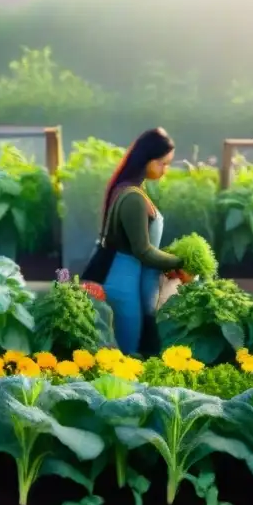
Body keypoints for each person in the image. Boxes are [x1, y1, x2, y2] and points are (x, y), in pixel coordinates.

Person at [93, 128, 186, 356]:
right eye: (162, 164)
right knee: (128, 352)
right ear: (147, 160)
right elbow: (142, 250)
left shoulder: (132, 190)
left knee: (131, 350)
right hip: (122, 280)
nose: (165, 170)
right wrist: (180, 261)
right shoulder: (132, 197)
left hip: (127, 276)